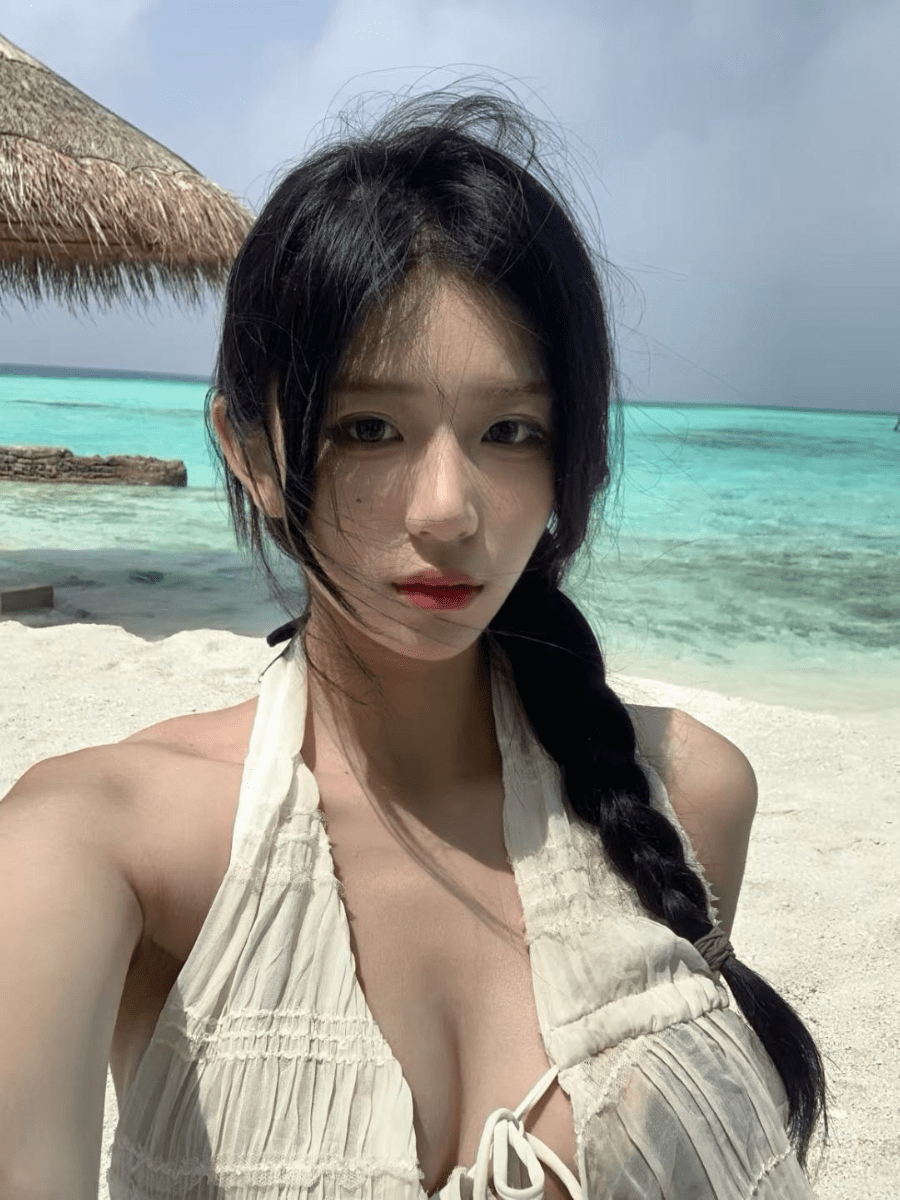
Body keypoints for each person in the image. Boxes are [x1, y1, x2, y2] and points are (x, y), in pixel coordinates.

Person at [0, 91, 826, 1199]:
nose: (448, 510)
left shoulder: (689, 796)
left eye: (511, 430)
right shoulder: (99, 848)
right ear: (250, 450)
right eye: (370, 428)